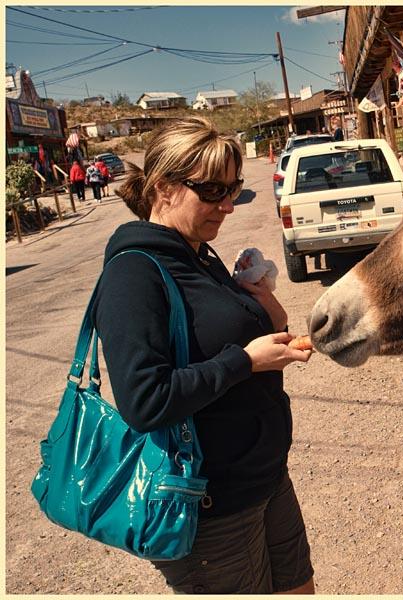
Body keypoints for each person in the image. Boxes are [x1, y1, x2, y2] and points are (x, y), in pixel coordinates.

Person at [93, 117, 316, 594]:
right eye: (213, 191)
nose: (229, 206)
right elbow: (144, 401)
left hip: (265, 479)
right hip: (208, 504)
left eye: (233, 188)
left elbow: (256, 333)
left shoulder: (199, 253)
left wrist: (265, 305)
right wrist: (245, 362)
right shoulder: (134, 273)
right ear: (164, 188)